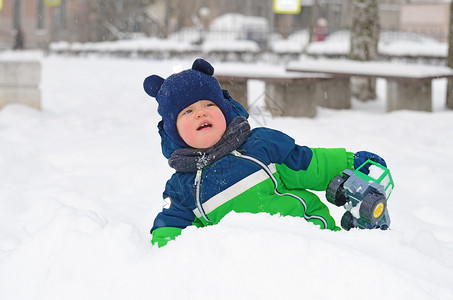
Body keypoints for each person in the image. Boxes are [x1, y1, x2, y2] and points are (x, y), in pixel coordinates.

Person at [143, 58, 387, 247]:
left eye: (209, 105)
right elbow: (171, 224)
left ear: (225, 111)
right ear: (173, 132)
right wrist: (166, 254)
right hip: (248, 270)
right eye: (188, 111)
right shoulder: (182, 187)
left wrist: (349, 163)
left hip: (312, 242)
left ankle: (367, 238)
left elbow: (308, 163)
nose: (201, 113)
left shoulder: (260, 146)